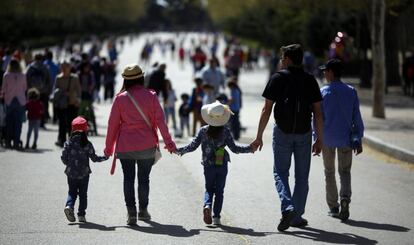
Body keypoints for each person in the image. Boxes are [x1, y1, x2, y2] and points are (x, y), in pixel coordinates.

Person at [251, 44, 324, 231]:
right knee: (302, 177)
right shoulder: (310, 80)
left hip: (282, 132)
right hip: (304, 133)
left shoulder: (278, 78)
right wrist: (320, 139)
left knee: (280, 173)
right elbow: (318, 112)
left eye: (283, 58)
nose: (281, 61)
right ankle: (296, 216)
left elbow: (266, 109)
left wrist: (259, 136)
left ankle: (288, 207)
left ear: (289, 59)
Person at [104, 64, 176, 226]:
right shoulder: (151, 96)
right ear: (141, 78)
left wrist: (108, 148)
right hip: (146, 144)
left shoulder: (120, 98)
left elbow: (112, 125)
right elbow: (161, 122)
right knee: (144, 179)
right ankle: (143, 210)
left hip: (125, 146)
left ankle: (131, 213)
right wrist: (169, 143)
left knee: (128, 179)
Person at [176, 101, 254, 226]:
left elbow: (192, 146)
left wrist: (178, 150)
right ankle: (216, 217)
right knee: (219, 191)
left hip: (208, 165)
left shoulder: (203, 131)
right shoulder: (226, 131)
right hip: (221, 164)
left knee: (209, 189)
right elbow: (235, 149)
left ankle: (207, 205)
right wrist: (250, 148)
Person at [319, 59, 364, 221]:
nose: (324, 73)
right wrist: (358, 138)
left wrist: (316, 138)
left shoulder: (323, 92)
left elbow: (318, 118)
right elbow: (356, 117)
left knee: (329, 172)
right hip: (346, 138)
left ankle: (333, 206)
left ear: (331, 72)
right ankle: (345, 198)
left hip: (327, 138)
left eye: (326, 70)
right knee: (345, 171)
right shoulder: (351, 91)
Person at [61, 116, 108, 223]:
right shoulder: (87, 144)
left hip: (71, 173)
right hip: (84, 174)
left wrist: (69, 164)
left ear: (72, 129)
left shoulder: (68, 143)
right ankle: (81, 215)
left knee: (72, 192)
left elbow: (63, 158)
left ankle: (69, 206)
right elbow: (94, 158)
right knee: (83, 194)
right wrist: (105, 157)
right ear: (85, 130)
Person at [54, 62, 81, 147]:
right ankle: (61, 140)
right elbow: (55, 91)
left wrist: (78, 100)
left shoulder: (74, 78)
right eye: (63, 67)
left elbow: (78, 90)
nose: (64, 69)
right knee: (62, 123)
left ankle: (72, 140)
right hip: (62, 104)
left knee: (72, 123)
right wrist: (62, 93)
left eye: (66, 67)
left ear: (69, 68)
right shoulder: (58, 78)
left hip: (72, 103)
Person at [2, 59, 27, 149]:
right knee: (18, 123)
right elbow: (25, 88)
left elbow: (4, 89)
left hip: (9, 101)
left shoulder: (6, 75)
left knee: (9, 122)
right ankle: (16, 143)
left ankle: (8, 142)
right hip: (20, 101)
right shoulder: (23, 75)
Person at [26, 54, 52, 129]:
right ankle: (42, 122)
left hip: (32, 91)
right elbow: (49, 79)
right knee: (42, 107)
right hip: (43, 91)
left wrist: (28, 89)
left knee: (32, 107)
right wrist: (48, 90)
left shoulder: (30, 67)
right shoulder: (45, 67)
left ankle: (32, 122)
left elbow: (26, 78)